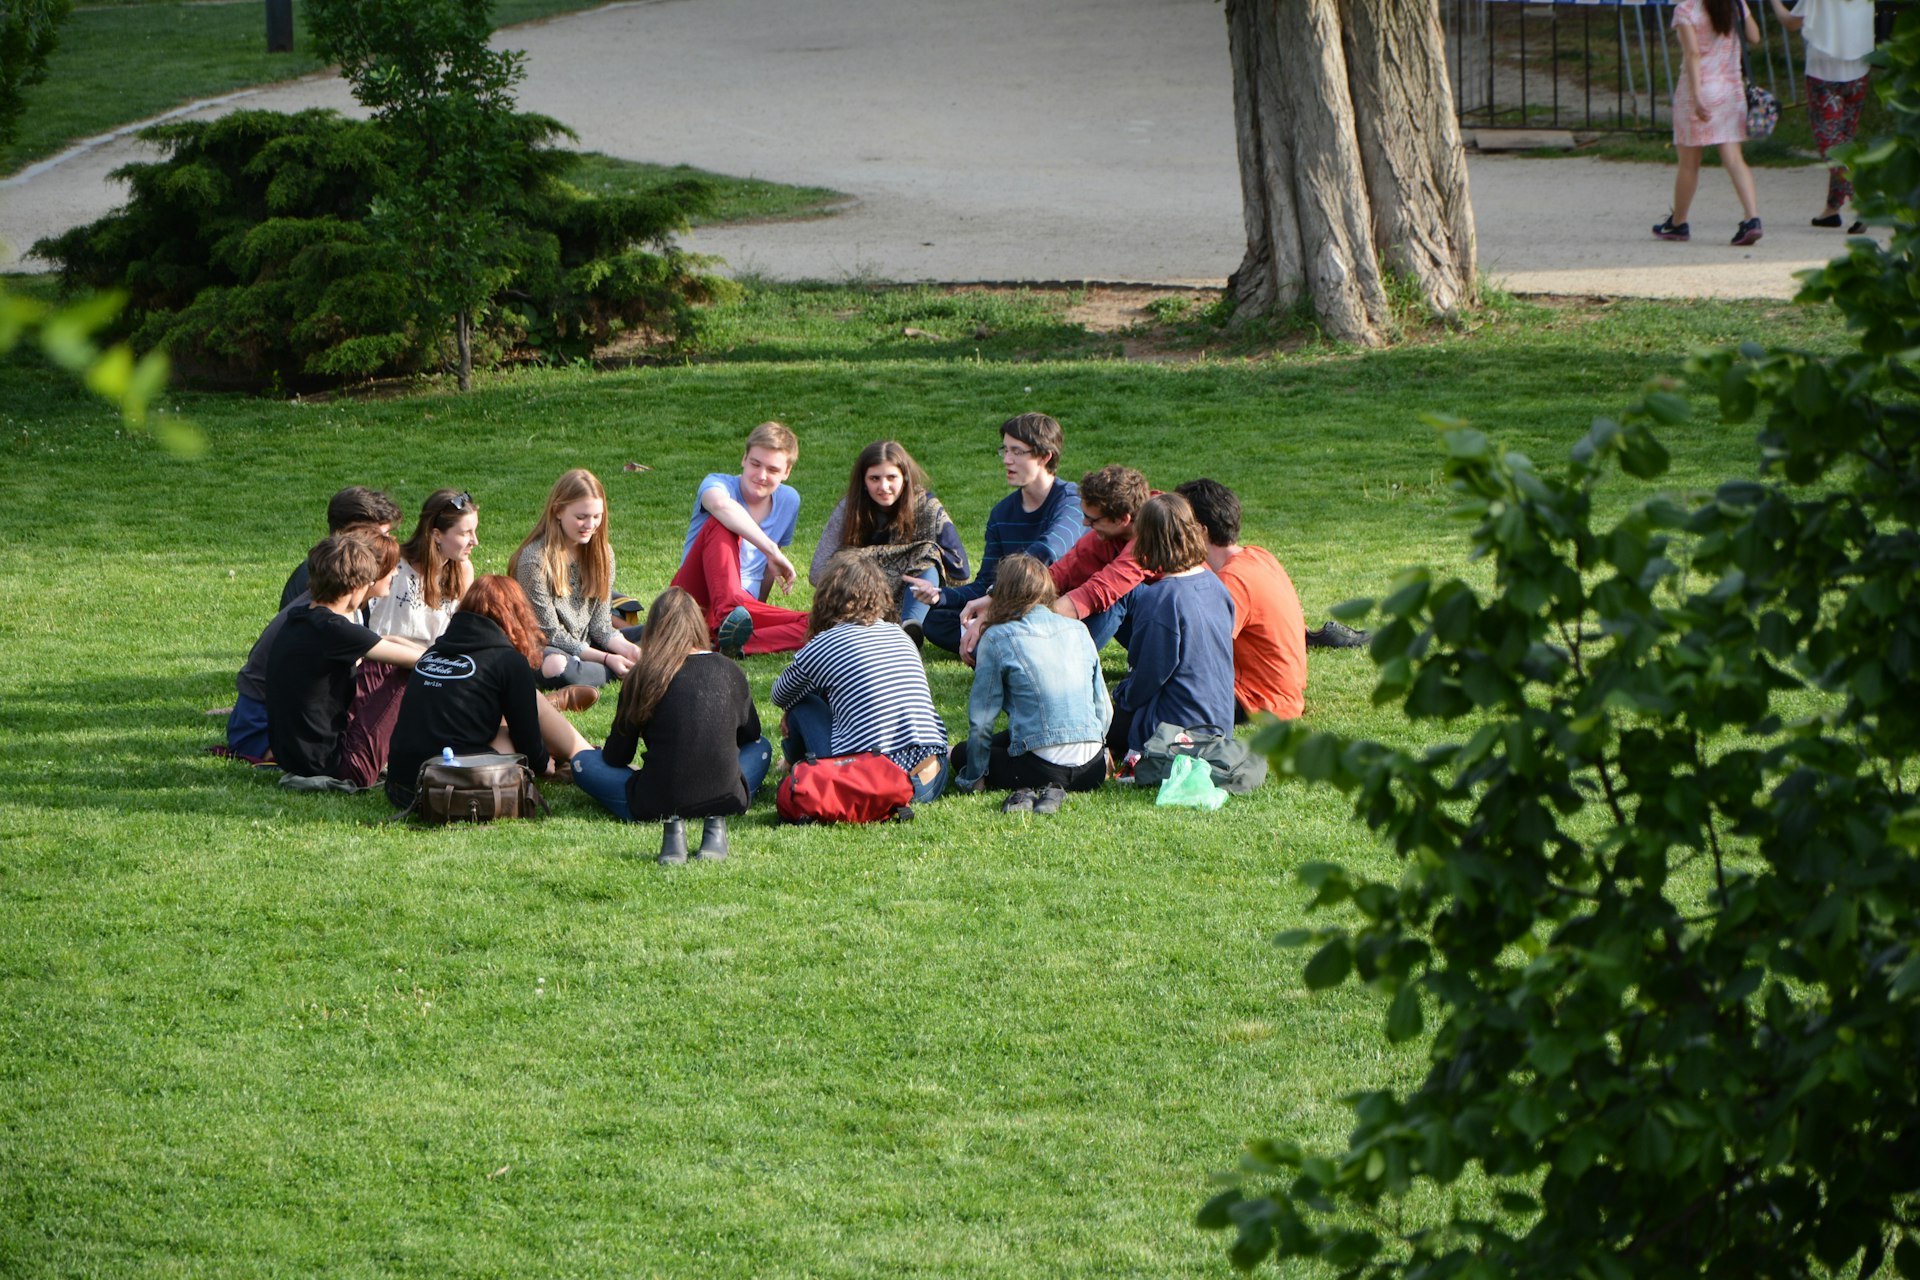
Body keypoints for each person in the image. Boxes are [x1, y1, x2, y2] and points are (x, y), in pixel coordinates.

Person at [570, 588, 773, 864]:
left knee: (583, 762)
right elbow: (752, 735)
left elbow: (616, 756)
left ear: (653, 629)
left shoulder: (643, 676)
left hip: (655, 800)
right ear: (697, 626)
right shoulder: (729, 670)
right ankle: (716, 797)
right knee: (762, 748)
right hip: (727, 797)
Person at [384, 575, 594, 812]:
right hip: (450, 785)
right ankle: (588, 760)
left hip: (400, 787)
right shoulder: (507, 661)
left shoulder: (431, 654)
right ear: (516, 616)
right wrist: (543, 764)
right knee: (513, 723)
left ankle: (577, 751)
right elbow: (527, 741)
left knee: (499, 705)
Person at [772, 557, 951, 805]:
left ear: (827, 599)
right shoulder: (900, 635)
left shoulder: (826, 643)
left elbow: (779, 694)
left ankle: (795, 762)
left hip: (866, 778)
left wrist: (800, 698)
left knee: (802, 703)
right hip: (929, 778)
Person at [949, 554, 1112, 813]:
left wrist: (973, 777)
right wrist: (1098, 750)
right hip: (1093, 767)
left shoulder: (997, 637)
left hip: (1041, 767)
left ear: (1002, 592)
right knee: (1000, 742)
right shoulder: (1079, 630)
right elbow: (1104, 707)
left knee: (960, 753)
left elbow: (981, 721)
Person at [911, 412, 1082, 656]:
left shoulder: (1071, 502)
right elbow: (984, 582)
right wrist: (940, 595)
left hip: (1057, 607)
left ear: (1045, 456)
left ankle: (1001, 644)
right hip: (1008, 606)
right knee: (936, 619)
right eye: (1005, 450)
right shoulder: (1002, 513)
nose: (1007, 460)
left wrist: (995, 597)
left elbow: (1047, 551)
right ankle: (1010, 646)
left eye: (1017, 452)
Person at [266, 531, 426, 787]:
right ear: (355, 587)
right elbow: (418, 663)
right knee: (408, 674)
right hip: (339, 766)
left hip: (294, 757)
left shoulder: (301, 618)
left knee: (385, 660)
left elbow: (385, 645)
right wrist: (446, 660)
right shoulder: (336, 630)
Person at [1108, 493, 1237, 764]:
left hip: (1176, 729)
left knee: (1099, 719)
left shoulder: (1160, 599)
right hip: (1219, 722)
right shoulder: (1217, 586)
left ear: (1145, 541)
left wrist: (1119, 696)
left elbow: (1148, 676)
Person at [669, 421, 809, 656]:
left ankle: (731, 642)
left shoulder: (789, 500)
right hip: (692, 601)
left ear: (787, 473)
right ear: (744, 459)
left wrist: (760, 606)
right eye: (755, 464)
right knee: (722, 522)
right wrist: (771, 549)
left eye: (773, 470)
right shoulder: (718, 484)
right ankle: (726, 618)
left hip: (744, 608)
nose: (761, 476)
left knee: (818, 625)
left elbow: (768, 571)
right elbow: (721, 505)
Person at [809, 439, 968, 643]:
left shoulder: (927, 506)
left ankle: (910, 627)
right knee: (846, 559)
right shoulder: (850, 508)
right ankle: (861, 627)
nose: (883, 487)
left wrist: (933, 587)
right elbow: (817, 572)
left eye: (891, 477)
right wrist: (866, 574)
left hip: (914, 591)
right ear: (863, 482)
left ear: (905, 478)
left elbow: (960, 570)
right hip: (863, 592)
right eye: (874, 478)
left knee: (927, 552)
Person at [1176, 478, 1307, 722]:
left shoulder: (1232, 581)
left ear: (1200, 530)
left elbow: (1198, 654)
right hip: (1282, 695)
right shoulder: (1258, 556)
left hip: (1257, 701)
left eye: (1179, 525)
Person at [509, 469, 644, 689]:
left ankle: (627, 663)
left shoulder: (603, 553)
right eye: (581, 517)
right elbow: (550, 634)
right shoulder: (533, 561)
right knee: (558, 667)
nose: (590, 525)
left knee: (660, 631)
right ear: (558, 511)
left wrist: (628, 649)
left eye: (596, 517)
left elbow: (600, 626)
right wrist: (608, 659)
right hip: (547, 647)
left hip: (589, 642)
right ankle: (630, 668)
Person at [1654, 0, 1764, 247]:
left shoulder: (1686, 10)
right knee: (1734, 159)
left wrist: (1696, 95)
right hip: (1731, 90)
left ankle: (1679, 222)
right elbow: (1754, 36)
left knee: (1689, 163)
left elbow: (1692, 53)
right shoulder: (1735, 4)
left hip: (1701, 87)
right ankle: (1752, 217)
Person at [1768, 0, 1876, 232]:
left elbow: (1791, 23)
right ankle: (1832, 208)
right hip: (1859, 69)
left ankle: (1862, 199)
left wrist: (1775, 3)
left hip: (1823, 72)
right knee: (1845, 140)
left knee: (1830, 143)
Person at [366, 488, 478, 648]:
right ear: (437, 535)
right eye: (465, 533)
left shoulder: (463, 570)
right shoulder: (395, 564)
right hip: (385, 663)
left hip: (434, 666)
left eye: (474, 531)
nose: (475, 541)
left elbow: (461, 632)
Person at [279, 486, 402, 610]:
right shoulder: (327, 579)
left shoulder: (333, 570)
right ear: (356, 533)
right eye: (383, 535)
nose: (388, 542)